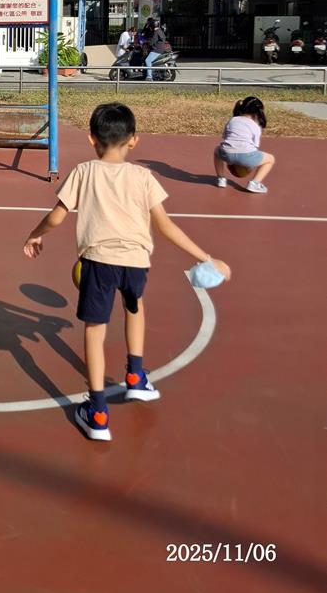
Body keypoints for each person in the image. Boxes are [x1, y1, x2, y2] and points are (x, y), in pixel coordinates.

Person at [23, 102, 231, 442]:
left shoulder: (83, 172)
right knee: (135, 307)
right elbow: (165, 226)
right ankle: (135, 376)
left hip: (98, 262)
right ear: (134, 140)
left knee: (95, 330)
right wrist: (208, 258)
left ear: (92, 138)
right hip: (136, 263)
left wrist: (35, 234)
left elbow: (57, 215)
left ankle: (98, 412)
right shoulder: (143, 177)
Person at [214, 95, 275, 194]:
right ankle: (254, 183)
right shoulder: (255, 126)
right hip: (246, 156)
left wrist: (232, 160)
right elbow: (254, 147)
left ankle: (221, 179)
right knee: (271, 159)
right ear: (258, 112)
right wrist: (248, 165)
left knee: (217, 150)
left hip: (226, 154)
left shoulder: (232, 120)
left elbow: (225, 138)